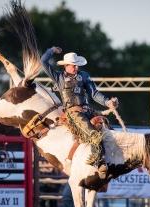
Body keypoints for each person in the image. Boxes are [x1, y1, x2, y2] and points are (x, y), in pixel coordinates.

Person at [41, 46, 118, 180]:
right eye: (73, 65)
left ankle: (109, 160)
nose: (76, 68)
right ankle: (97, 163)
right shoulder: (58, 77)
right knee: (93, 134)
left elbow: (94, 93)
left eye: (77, 65)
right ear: (66, 66)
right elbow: (43, 62)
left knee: (106, 127)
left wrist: (107, 102)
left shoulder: (84, 76)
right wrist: (52, 51)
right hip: (73, 113)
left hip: (88, 110)